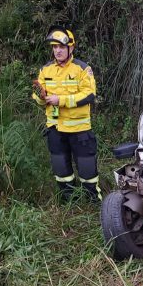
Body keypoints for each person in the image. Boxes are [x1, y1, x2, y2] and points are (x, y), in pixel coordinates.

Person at [32, 25, 101, 202]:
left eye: (61, 47)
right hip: (55, 128)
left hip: (80, 129)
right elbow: (38, 98)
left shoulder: (82, 69)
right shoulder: (45, 70)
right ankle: (69, 203)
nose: (58, 51)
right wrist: (41, 97)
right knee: (61, 170)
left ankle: (93, 204)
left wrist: (59, 100)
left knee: (87, 171)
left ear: (71, 47)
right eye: (54, 47)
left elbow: (89, 95)